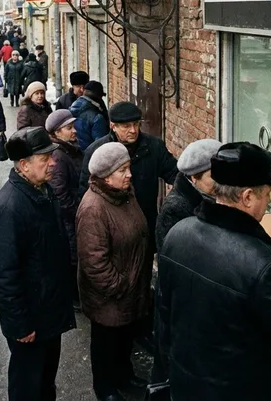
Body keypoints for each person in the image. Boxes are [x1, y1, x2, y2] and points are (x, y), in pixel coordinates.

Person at [157, 143, 271, 401]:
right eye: (266, 195)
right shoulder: (262, 265)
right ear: (247, 197)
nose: (268, 204)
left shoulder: (179, 234)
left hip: (187, 385)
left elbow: (165, 316)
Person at [0, 127, 76, 401]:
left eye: (52, 157)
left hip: (49, 310)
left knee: (46, 380)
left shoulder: (43, 191)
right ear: (24, 165)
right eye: (45, 159)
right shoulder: (9, 207)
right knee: (27, 385)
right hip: (30, 321)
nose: (53, 163)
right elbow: (3, 275)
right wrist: (20, 325)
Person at [77, 143, 150, 401]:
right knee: (105, 343)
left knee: (124, 339)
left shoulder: (125, 194)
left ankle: (123, 375)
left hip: (129, 289)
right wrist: (121, 287)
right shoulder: (93, 208)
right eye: (123, 170)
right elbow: (94, 262)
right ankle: (105, 387)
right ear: (106, 176)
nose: (129, 174)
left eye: (128, 167)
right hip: (110, 296)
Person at [80, 101, 178, 245]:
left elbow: (175, 174)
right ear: (113, 126)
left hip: (145, 229)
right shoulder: (96, 152)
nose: (133, 130)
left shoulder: (154, 147)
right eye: (126, 126)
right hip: (113, 234)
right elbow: (84, 192)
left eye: (136, 124)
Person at [46, 109, 84, 309]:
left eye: (73, 126)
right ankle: (73, 297)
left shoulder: (69, 149)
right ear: (56, 133)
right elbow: (60, 193)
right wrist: (78, 212)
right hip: (70, 217)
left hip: (73, 214)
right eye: (69, 128)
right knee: (72, 255)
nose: (74, 131)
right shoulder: (59, 156)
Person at [155, 139, 222, 253]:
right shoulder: (174, 210)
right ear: (194, 177)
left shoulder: (210, 194)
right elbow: (171, 257)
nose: (220, 181)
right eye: (213, 176)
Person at [70, 81, 110, 151]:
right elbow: (101, 147)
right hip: (91, 158)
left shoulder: (72, 108)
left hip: (75, 155)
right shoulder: (97, 117)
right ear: (99, 97)